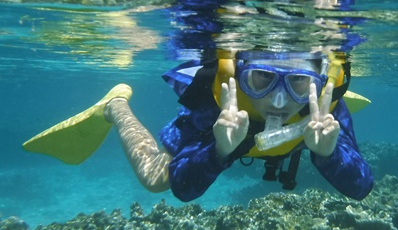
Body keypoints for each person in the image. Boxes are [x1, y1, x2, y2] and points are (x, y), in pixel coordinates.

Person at [101, 49, 374, 202]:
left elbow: (361, 187)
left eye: (299, 82)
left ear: (318, 82)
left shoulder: (325, 107)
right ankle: (116, 105)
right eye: (262, 78)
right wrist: (218, 150)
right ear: (241, 76)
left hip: (302, 130)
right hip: (225, 128)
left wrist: (328, 153)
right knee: (154, 179)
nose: (278, 100)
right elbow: (182, 188)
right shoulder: (219, 103)